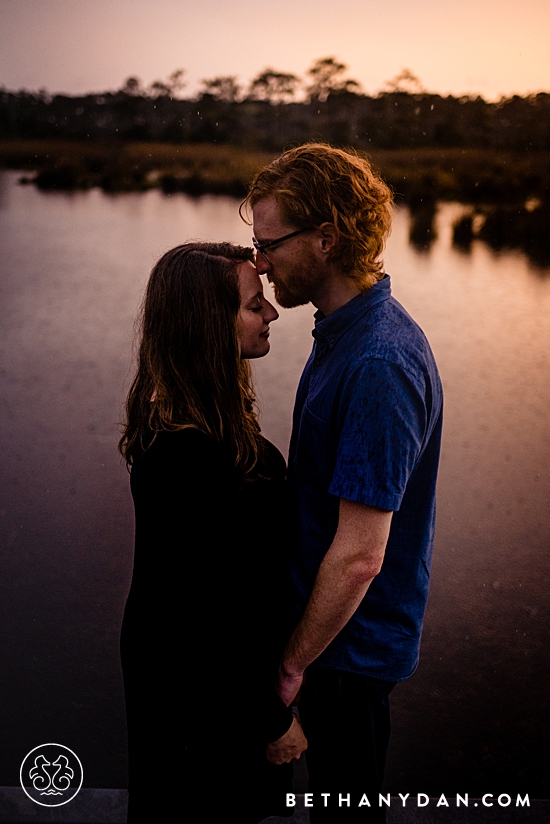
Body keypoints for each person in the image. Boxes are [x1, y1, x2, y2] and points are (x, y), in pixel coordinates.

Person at [242, 144, 443, 822]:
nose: (259, 262)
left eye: (268, 244)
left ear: (326, 239)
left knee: (349, 815)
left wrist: (291, 667)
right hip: (330, 638)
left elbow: (362, 554)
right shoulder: (342, 334)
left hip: (344, 653)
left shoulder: (379, 362)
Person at [118, 242, 307, 823]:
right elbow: (204, 617)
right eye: (254, 305)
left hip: (205, 695)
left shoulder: (195, 423)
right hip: (203, 709)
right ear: (209, 325)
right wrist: (271, 720)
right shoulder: (188, 456)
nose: (272, 313)